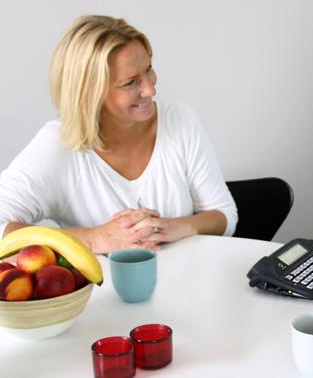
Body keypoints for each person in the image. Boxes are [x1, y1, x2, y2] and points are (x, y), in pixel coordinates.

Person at [0, 15, 237, 254]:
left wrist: (171, 227)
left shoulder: (179, 121)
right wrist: (93, 239)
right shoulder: (58, 144)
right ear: (89, 92)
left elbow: (224, 214)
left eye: (149, 70)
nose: (150, 89)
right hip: (103, 291)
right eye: (131, 82)